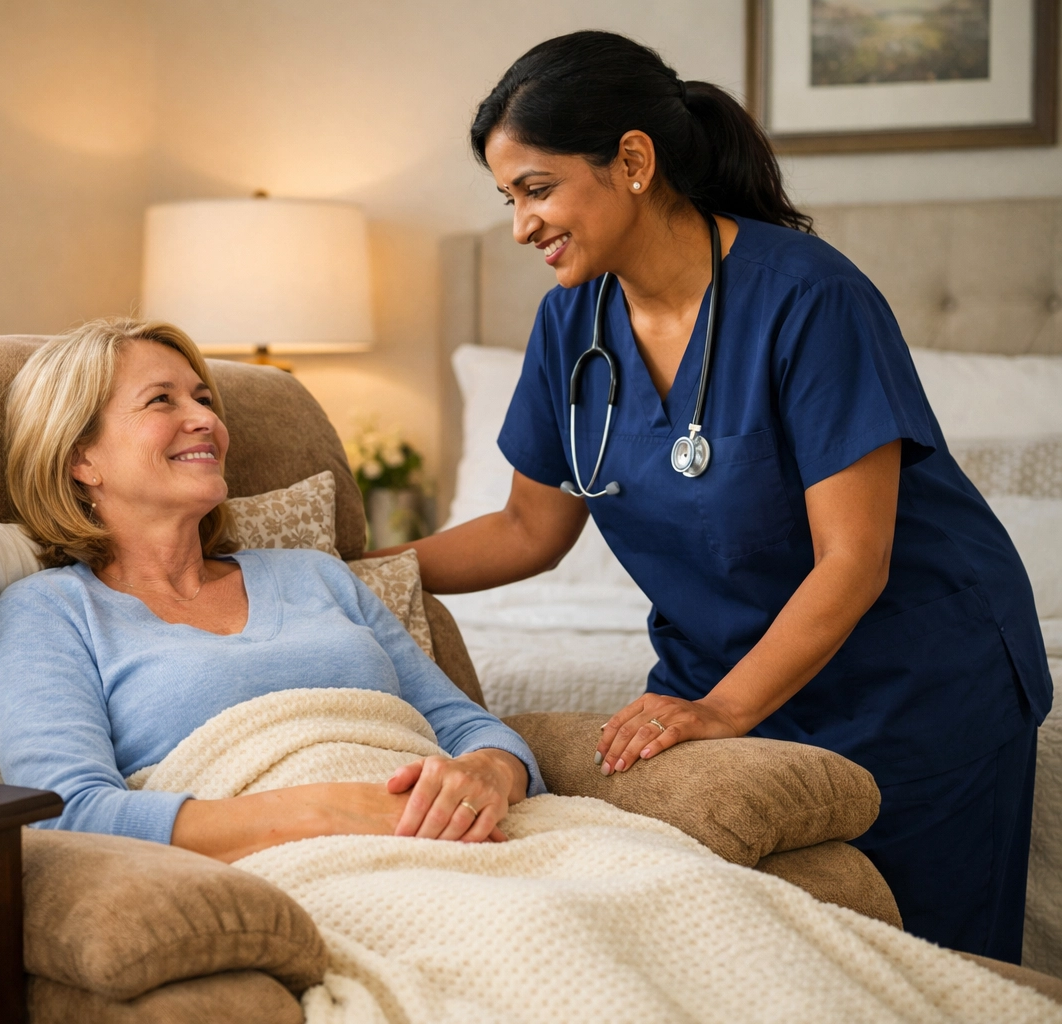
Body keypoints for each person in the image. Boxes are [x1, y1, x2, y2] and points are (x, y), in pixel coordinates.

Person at [375, 30, 1051, 962]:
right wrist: (351, 573)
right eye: (508, 198)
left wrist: (723, 713)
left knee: (928, 973)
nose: (521, 225)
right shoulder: (571, 318)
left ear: (634, 162)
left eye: (537, 190)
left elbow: (856, 559)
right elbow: (529, 528)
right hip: (718, 672)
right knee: (737, 963)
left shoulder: (807, 299)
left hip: (911, 682)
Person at [0, 317, 544, 865]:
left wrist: (488, 772)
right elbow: (63, 816)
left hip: (459, 839)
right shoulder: (50, 612)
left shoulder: (315, 574)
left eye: (203, 399)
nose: (204, 418)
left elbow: (468, 726)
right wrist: (323, 811)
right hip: (300, 870)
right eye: (162, 400)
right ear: (81, 457)